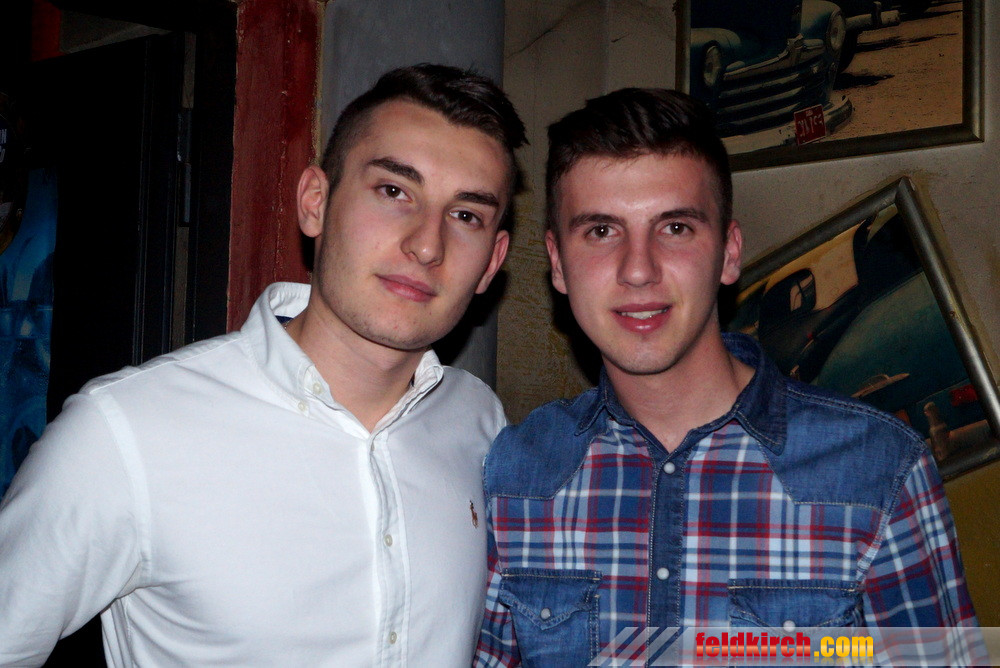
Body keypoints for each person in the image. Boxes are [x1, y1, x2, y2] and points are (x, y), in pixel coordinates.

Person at [0, 63, 526, 667]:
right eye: (393, 191)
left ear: (492, 262)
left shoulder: (480, 423)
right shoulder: (123, 433)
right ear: (315, 203)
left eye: (466, 215)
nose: (427, 244)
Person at [475, 88, 978, 666]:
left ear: (730, 252)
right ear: (558, 263)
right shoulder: (516, 473)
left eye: (675, 228)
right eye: (601, 231)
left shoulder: (879, 470)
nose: (638, 270)